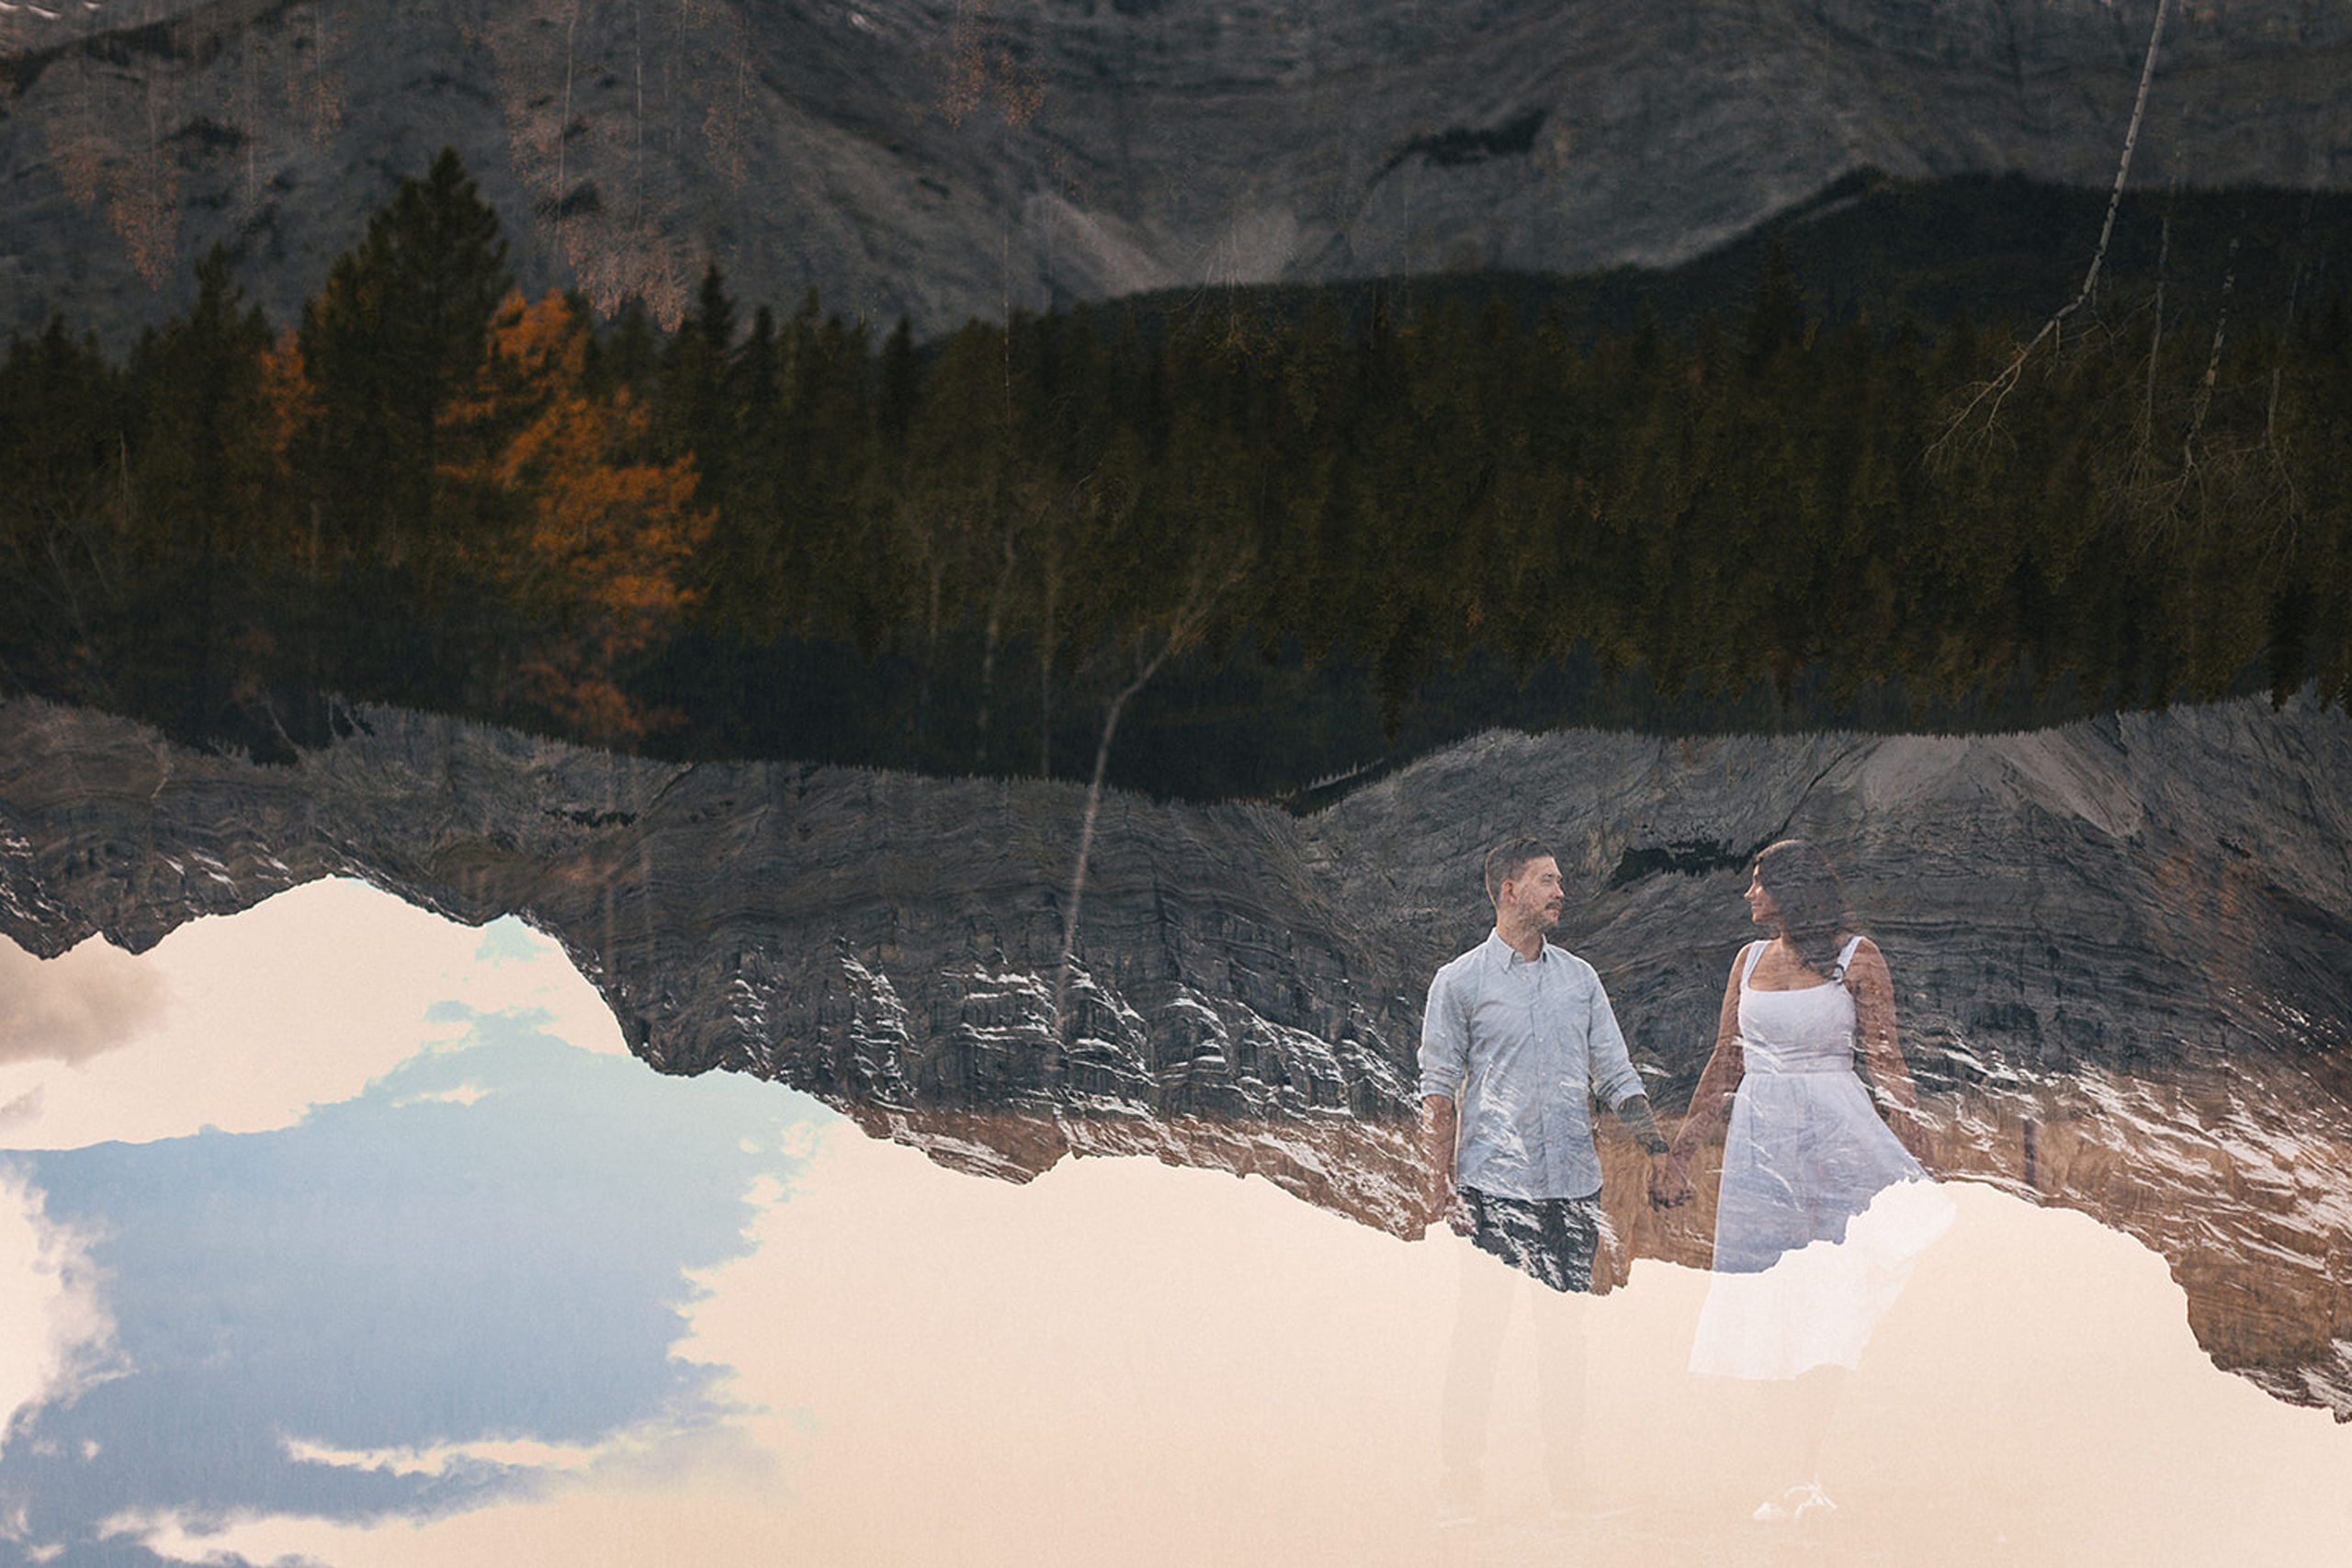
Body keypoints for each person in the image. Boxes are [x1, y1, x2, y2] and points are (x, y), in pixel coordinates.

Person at [1669, 838, 1950, 1522]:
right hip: (1762, 1144)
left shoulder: (1859, 957)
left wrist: (1922, 1160)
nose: (1748, 894)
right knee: (1769, 1302)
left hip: (1838, 1138)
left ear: (1791, 889)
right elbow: (1724, 1061)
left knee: (1827, 1301)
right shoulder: (1747, 959)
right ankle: (1784, 1473)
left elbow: (1888, 1065)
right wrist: (1680, 1149)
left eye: (1759, 883)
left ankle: (1809, 1471)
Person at [1419, 837, 1690, 1519]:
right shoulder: (1460, 982)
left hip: (1572, 1186)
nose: (1559, 890)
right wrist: (1437, 1188)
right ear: (1508, 890)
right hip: (1491, 1190)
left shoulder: (1581, 980)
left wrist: (1657, 1150)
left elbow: (1618, 1074)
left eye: (1559, 880)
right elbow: (1439, 1095)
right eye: (1546, 880)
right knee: (1478, 1338)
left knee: (1564, 1341)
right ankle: (1461, 1485)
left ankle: (1568, 1485)